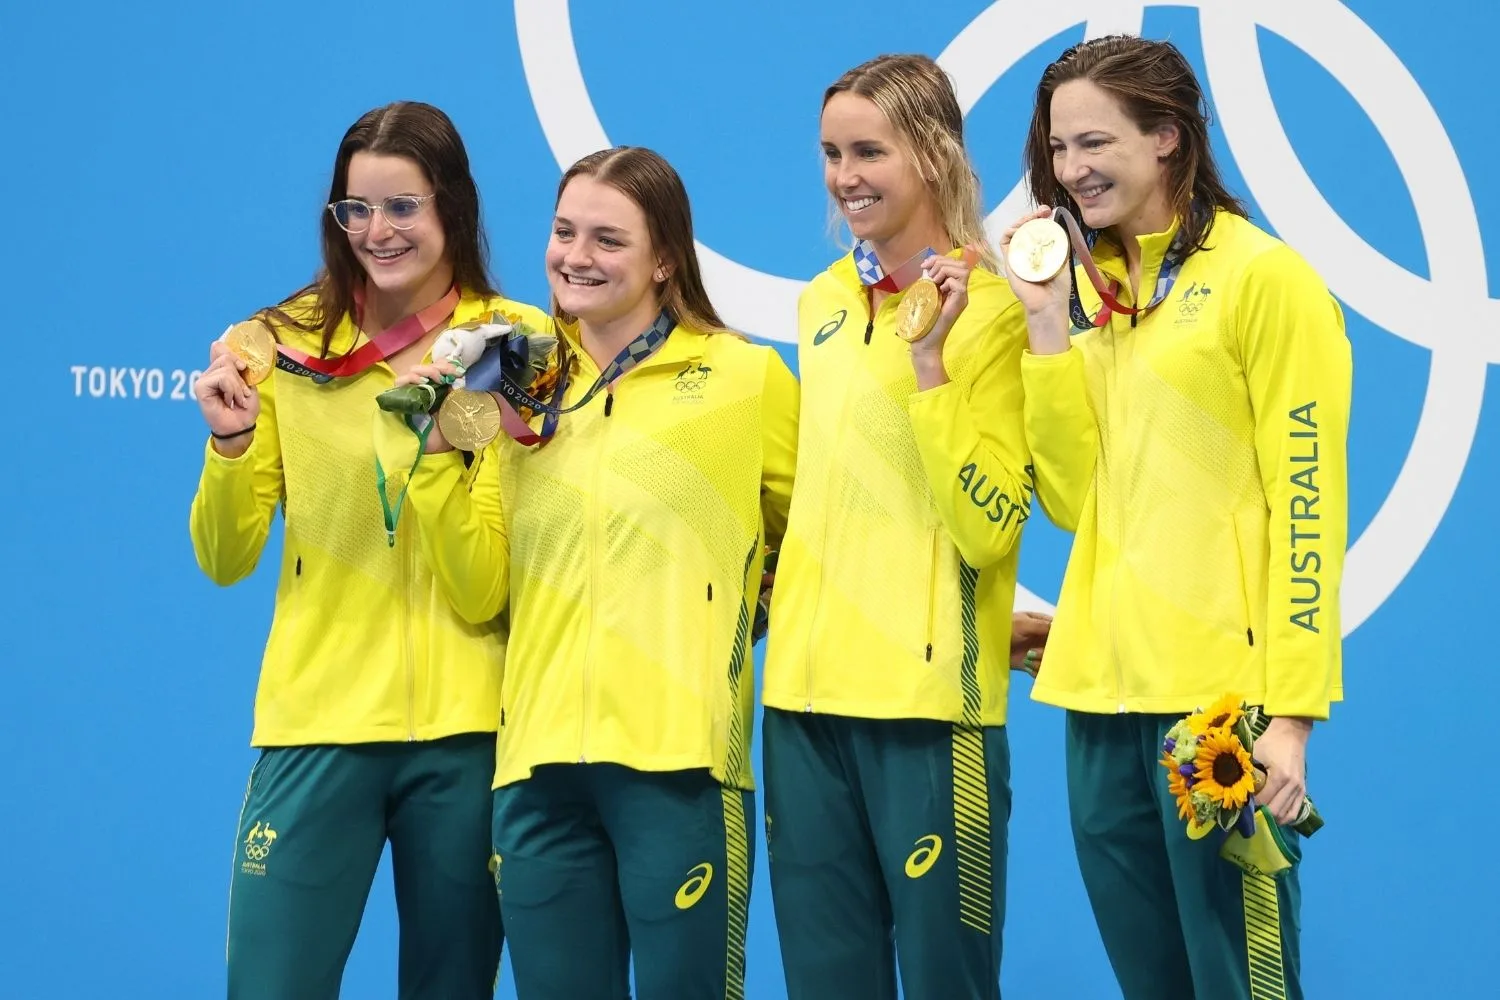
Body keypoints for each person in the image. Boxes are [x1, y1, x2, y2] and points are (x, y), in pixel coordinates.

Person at [386, 145, 799, 1000]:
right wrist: (432, 458)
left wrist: (729, 613)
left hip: (679, 765)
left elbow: (810, 539)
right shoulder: (520, 388)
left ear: (663, 260)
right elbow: (482, 590)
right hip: (537, 773)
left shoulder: (744, 377)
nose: (575, 256)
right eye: (564, 230)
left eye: (608, 239)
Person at [998, 34, 1352, 1000]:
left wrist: (1292, 716)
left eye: (1093, 142)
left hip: (1218, 711)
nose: (1070, 169)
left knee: (1240, 983)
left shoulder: (1262, 280)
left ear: (1165, 137)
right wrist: (1044, 325)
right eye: (1058, 148)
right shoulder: (1095, 298)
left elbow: (1309, 510)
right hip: (1099, 705)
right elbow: (1074, 502)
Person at [188, 100, 549, 1000]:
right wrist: (230, 447)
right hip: (320, 721)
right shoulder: (273, 346)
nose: (377, 233)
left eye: (402, 208)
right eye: (356, 210)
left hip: (471, 729)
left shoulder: (518, 346)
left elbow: (491, 562)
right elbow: (226, 558)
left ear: (452, 207)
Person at [759, 53, 1034, 1000]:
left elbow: (992, 526)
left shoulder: (997, 313)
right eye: (833, 153)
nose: (847, 176)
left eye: (869, 150)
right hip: (801, 704)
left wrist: (931, 371)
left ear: (934, 151)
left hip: (929, 710)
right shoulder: (822, 301)